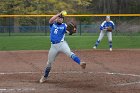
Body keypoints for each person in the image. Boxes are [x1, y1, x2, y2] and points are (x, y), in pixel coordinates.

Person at [39, 11, 86, 83]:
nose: (60, 19)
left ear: (63, 20)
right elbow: (51, 20)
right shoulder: (52, 25)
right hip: (53, 46)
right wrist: (58, 14)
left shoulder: (64, 26)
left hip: (62, 44)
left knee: (69, 53)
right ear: (56, 18)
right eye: (59, 18)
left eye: (61, 18)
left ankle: (80, 63)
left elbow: (70, 32)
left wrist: (73, 31)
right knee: (49, 63)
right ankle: (45, 76)